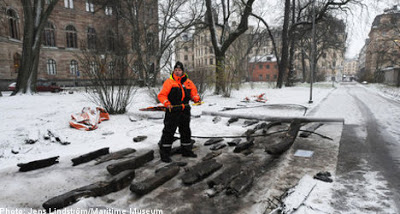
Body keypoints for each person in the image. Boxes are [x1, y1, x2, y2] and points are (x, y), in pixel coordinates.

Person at [157, 61, 201, 163]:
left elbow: (194, 94)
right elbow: (161, 95)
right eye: (176, 70)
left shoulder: (188, 82)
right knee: (169, 132)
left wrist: (196, 99)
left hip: (185, 110)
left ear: (182, 71)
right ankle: (164, 154)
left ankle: (186, 150)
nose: (177, 72)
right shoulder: (169, 82)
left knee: (185, 131)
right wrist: (167, 103)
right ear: (173, 71)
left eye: (179, 70)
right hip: (173, 110)